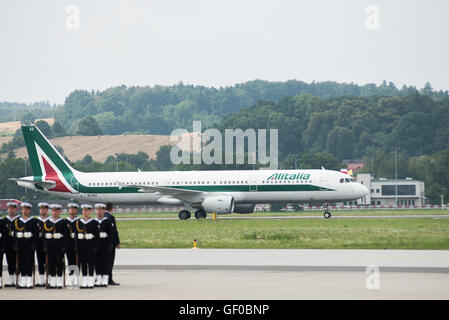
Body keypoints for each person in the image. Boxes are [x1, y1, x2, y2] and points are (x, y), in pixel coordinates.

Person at [43, 204, 69, 289]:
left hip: (59, 246)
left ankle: (59, 281)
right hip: (50, 246)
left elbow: (66, 236)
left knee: (59, 263)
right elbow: (44, 236)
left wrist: (65, 247)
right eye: (53, 211)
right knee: (51, 263)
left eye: (56, 211)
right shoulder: (47, 222)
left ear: (59, 212)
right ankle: (53, 281)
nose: (54, 213)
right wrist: (45, 246)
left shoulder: (63, 222)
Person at [13, 202, 38, 289]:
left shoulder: (33, 221)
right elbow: (14, 235)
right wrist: (15, 245)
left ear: (29, 210)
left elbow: (36, 235)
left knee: (29, 263)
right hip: (20, 245)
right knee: (21, 263)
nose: (24, 211)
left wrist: (34, 245)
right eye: (23, 209)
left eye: (26, 209)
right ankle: (23, 281)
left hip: (29, 244)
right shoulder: (17, 221)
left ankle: (29, 281)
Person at [76, 204, 99, 289]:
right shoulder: (78, 222)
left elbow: (97, 236)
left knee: (91, 264)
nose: (85, 212)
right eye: (84, 211)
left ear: (90, 212)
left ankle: (90, 282)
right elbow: (76, 236)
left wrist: (95, 246)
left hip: (91, 246)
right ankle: (84, 281)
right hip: (82, 246)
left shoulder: (94, 222)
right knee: (83, 264)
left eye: (87, 211)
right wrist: (76, 246)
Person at [94, 203, 114, 287]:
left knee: (105, 262)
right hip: (96, 246)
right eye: (98, 210)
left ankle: (105, 279)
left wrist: (110, 245)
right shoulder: (93, 222)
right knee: (97, 262)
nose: (99, 212)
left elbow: (111, 234)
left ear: (104, 211)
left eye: (101, 210)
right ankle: (98, 279)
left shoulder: (107, 221)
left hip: (105, 245)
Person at [0, 202, 20, 287]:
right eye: (10, 208)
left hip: (17, 244)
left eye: (13, 208)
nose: (11, 210)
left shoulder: (19, 220)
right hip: (7, 244)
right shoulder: (3, 221)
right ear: (7, 209)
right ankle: (11, 280)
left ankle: (18, 280)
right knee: (10, 262)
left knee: (18, 262)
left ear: (16, 209)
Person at [105, 202, 120, 285]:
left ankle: (102, 278)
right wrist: (117, 243)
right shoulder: (110, 217)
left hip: (102, 244)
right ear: (112, 208)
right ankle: (109, 279)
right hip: (110, 244)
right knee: (110, 262)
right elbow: (114, 231)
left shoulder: (103, 217)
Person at [35, 202, 50, 287]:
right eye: (41, 209)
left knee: (50, 262)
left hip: (49, 244)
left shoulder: (50, 221)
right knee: (40, 261)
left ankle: (50, 279)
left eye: (44, 209)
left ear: (47, 210)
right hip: (39, 244)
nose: (42, 211)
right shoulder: (36, 221)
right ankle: (41, 280)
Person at [66, 203, 80, 287]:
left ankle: (76, 277)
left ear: (76, 210)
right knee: (70, 261)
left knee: (77, 261)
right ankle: (71, 277)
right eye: (70, 209)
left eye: (74, 209)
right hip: (68, 244)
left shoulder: (78, 221)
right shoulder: (65, 221)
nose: (72, 210)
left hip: (77, 244)